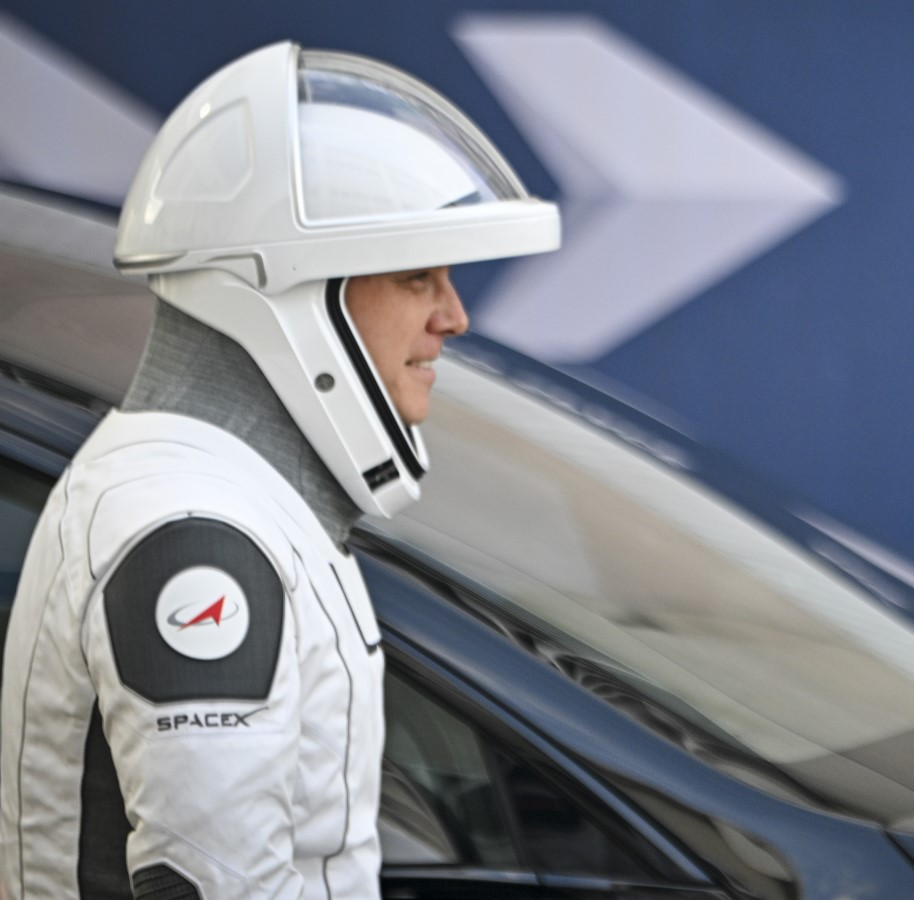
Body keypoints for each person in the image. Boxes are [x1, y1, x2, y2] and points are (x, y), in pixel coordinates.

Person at [0, 42, 560, 898]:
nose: (454, 315)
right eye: (417, 277)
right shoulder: (194, 537)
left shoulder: (217, 501)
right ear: (292, 297)